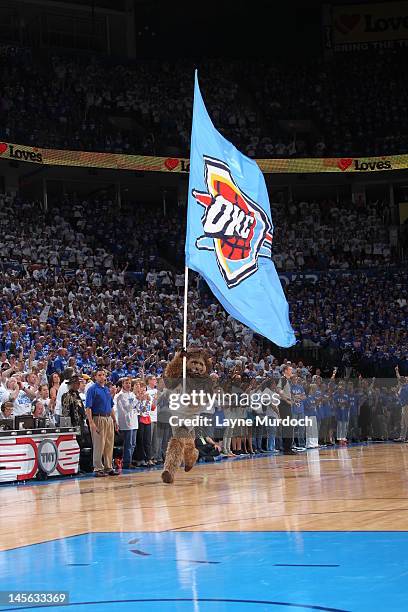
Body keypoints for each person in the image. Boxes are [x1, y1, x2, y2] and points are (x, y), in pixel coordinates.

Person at [85, 370, 119, 477]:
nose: (102, 377)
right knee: (99, 444)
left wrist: (114, 420)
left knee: (109, 444)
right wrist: (91, 422)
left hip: (108, 418)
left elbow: (111, 406)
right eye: (99, 375)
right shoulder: (92, 389)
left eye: (103, 375)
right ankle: (98, 468)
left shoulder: (106, 390)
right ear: (95, 377)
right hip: (98, 418)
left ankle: (108, 467)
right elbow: (88, 407)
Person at [116, 377, 138, 469]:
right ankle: (126, 462)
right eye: (126, 383)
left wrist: (139, 400)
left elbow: (136, 408)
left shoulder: (132, 394)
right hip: (126, 422)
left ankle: (129, 460)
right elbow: (127, 408)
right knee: (128, 444)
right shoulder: (120, 396)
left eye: (129, 383)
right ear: (122, 384)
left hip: (134, 421)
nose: (128, 385)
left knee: (133, 443)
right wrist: (137, 399)